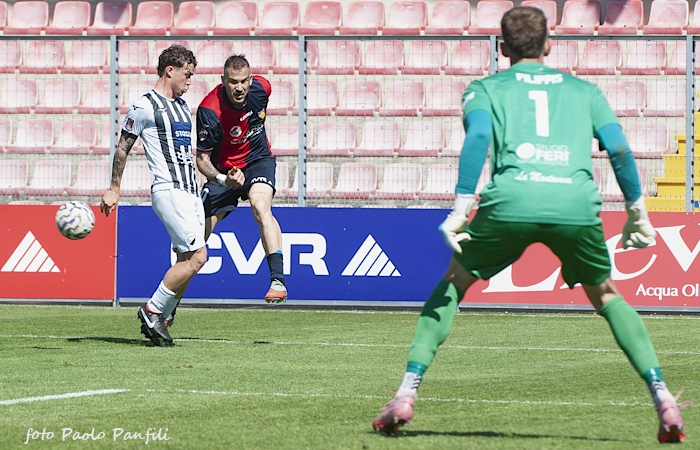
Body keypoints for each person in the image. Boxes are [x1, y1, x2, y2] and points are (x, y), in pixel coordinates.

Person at [372, 7, 687, 444]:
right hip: (574, 203)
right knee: (607, 294)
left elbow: (478, 138)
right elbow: (618, 147)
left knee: (455, 282)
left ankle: (406, 393)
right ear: (549, 44)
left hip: (511, 200)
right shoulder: (585, 91)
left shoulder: (485, 89)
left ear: (502, 48)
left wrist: (461, 207)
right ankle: (663, 397)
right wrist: (637, 210)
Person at [101, 45, 219, 347]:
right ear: (170, 70)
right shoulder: (144, 106)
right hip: (169, 189)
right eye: (187, 74)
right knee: (199, 257)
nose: (190, 80)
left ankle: (163, 316)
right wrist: (114, 188)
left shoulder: (181, 107)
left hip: (190, 192)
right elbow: (123, 147)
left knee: (185, 259)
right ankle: (153, 310)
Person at [195, 54, 287, 303]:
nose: (239, 87)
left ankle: (277, 281)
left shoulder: (262, 88)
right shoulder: (209, 110)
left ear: (251, 79)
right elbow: (201, 159)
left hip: (258, 161)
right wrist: (223, 179)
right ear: (223, 80)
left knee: (260, 206)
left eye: (244, 81)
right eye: (233, 82)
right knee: (195, 240)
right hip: (224, 171)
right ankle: (166, 304)